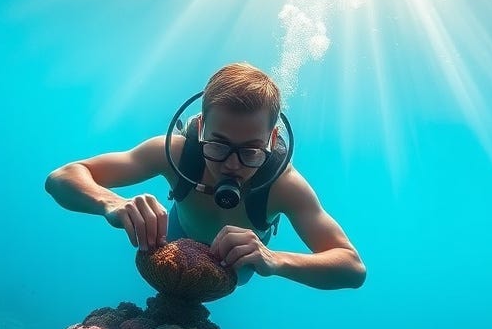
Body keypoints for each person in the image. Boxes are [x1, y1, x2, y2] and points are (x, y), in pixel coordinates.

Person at [45, 62, 366, 290]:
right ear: (199, 128)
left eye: (251, 151)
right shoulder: (173, 153)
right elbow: (62, 177)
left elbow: (352, 267)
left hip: (236, 266)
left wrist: (274, 260)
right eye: (218, 145)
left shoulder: (284, 185)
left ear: (272, 139)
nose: (232, 165)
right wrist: (110, 203)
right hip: (177, 235)